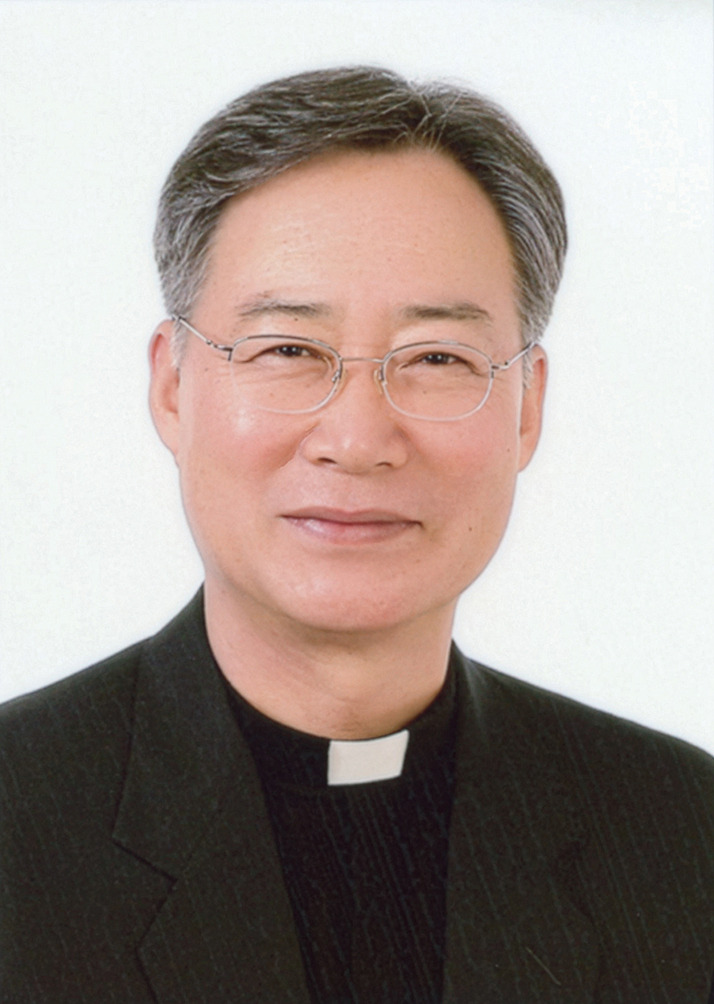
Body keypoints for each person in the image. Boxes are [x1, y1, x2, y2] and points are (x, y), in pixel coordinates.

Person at [1, 66, 713, 1004]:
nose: (358, 438)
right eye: (289, 350)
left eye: (438, 358)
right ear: (172, 388)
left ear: (528, 407)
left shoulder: (680, 834)